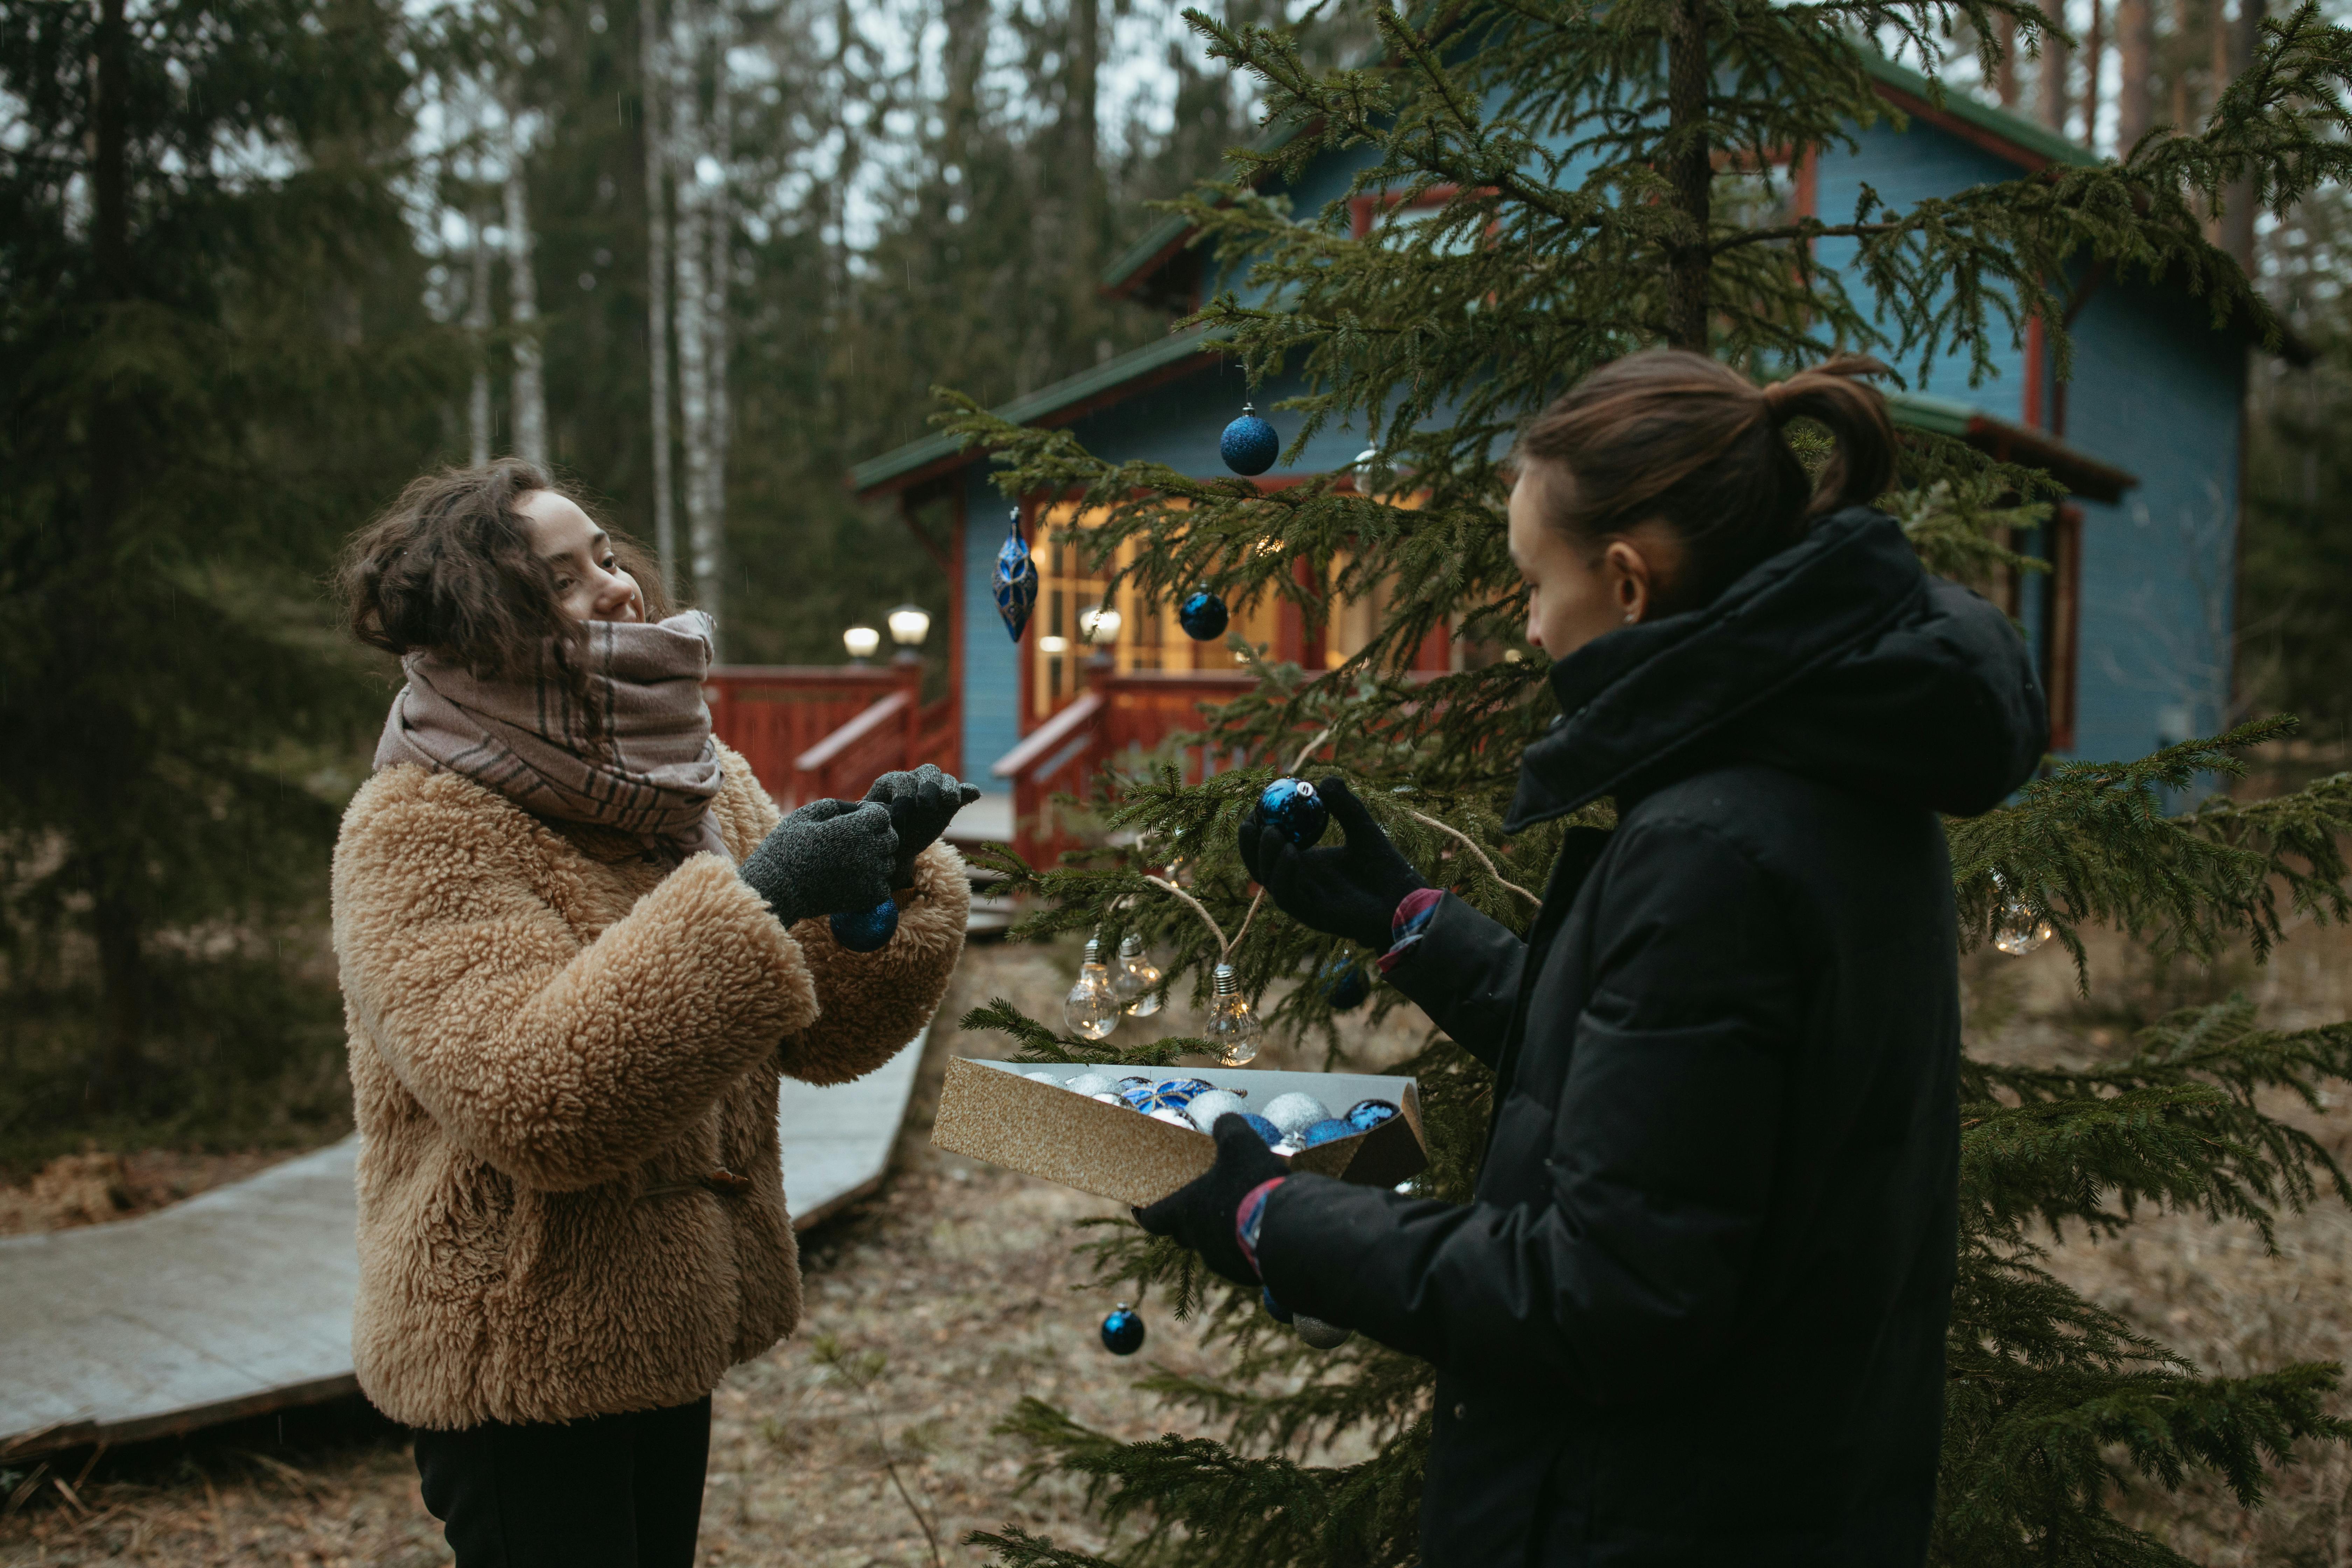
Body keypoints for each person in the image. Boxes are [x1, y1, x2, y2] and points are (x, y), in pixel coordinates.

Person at [1139, 351, 2047, 1565]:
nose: (1525, 626)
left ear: (1626, 583)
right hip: (1784, 1483)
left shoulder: (1716, 843)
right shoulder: (1833, 764)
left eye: (1532, 583)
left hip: (1659, 1516)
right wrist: (1409, 920)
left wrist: (1268, 1217)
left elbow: (1601, 1296)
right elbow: (1678, 1090)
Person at [330, 459, 977, 1568]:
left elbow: (821, 1035)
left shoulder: (693, 774)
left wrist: (882, 882)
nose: (618, 588)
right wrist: (761, 898)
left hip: (662, 1324)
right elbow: (535, 1099)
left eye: (608, 557)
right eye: (564, 577)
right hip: (518, 1356)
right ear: (486, 622)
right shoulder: (420, 825)